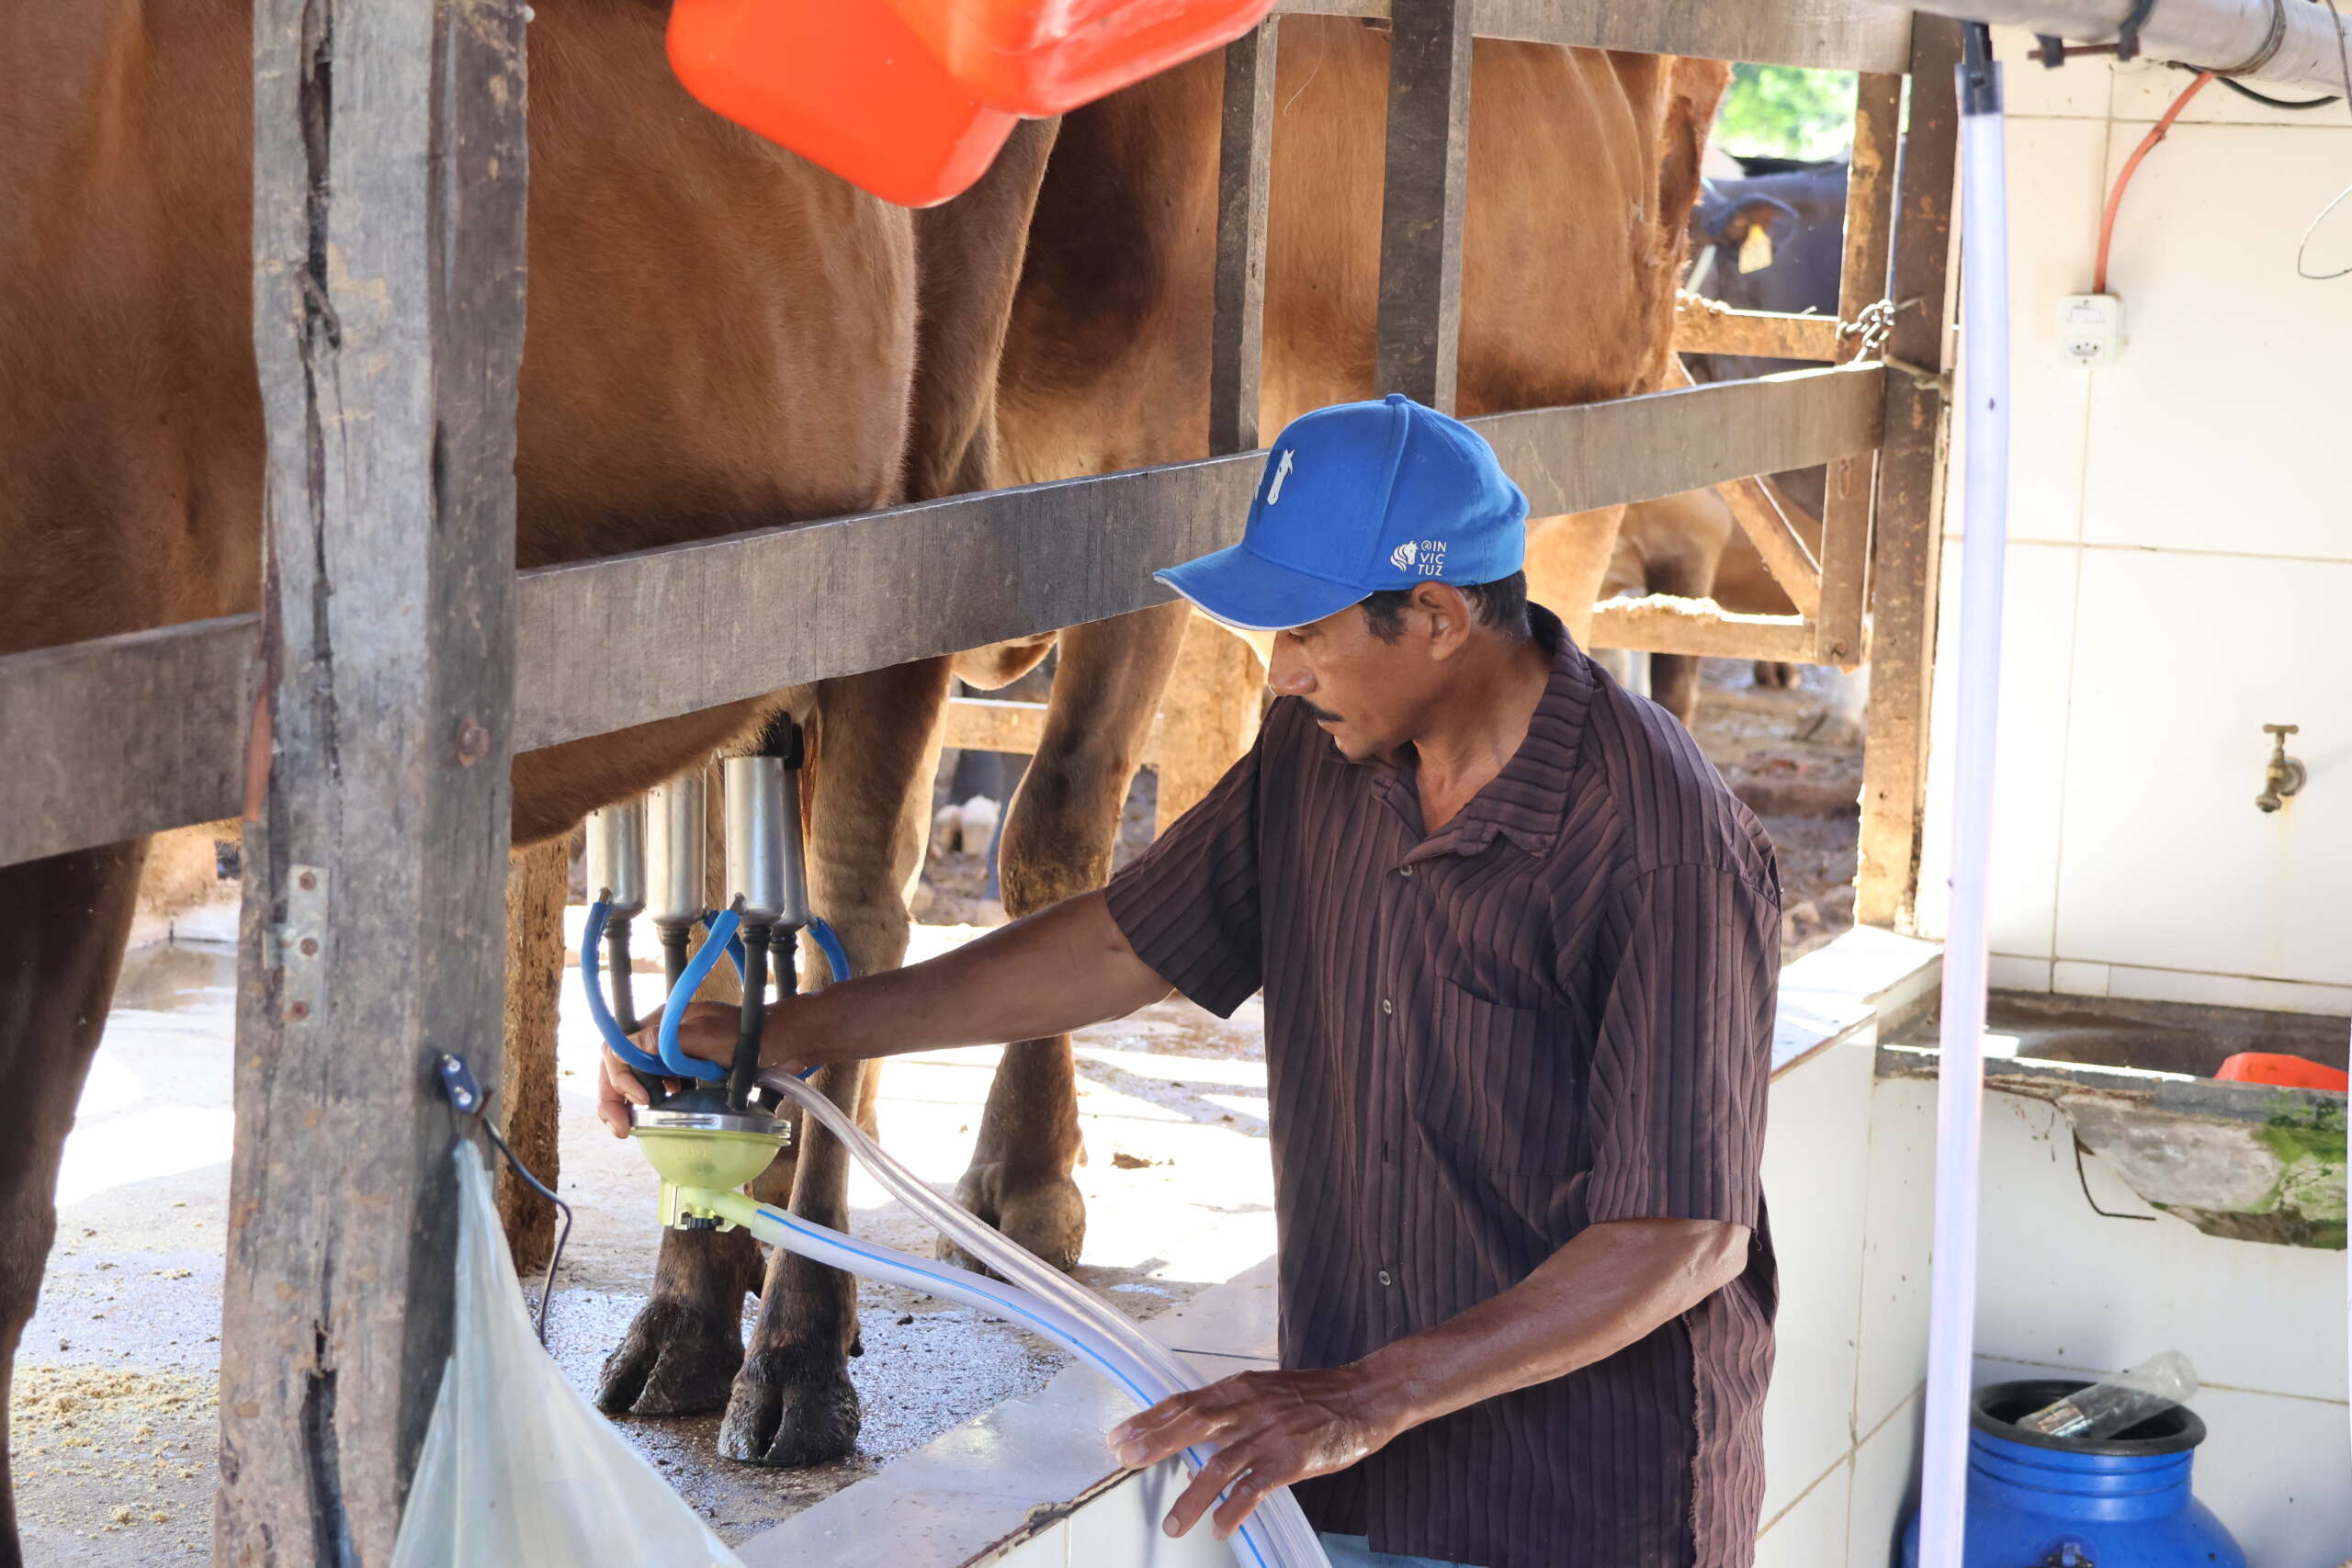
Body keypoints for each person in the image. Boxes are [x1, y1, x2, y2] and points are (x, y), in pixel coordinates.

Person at [603, 394, 1782, 1568]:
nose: (1280, 674)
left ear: (1433, 615)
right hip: (1349, 1480)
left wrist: (1362, 1396)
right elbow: (1121, 944)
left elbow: (1678, 1233)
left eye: (1306, 631)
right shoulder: (1319, 759)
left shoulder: (1662, 846)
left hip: (1577, 1508)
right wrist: (786, 1029)